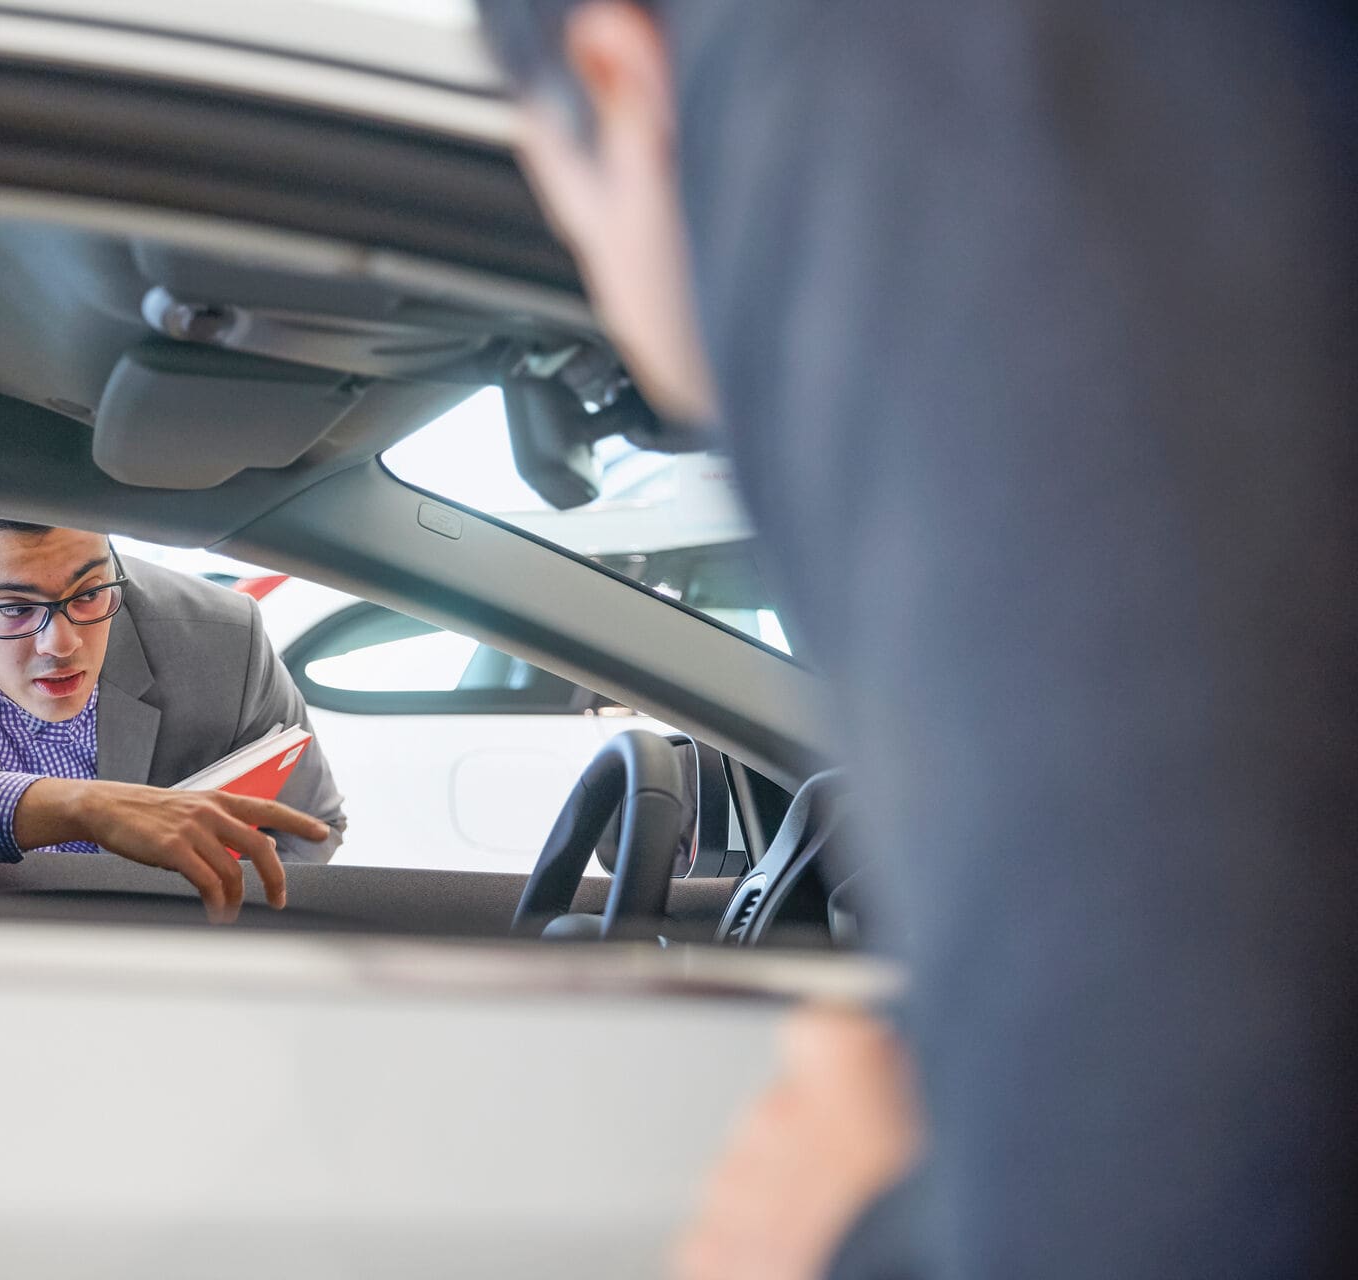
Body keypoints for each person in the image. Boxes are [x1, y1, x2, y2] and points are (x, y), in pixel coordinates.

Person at [473, 2, 1358, 1279]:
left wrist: (853, 1232)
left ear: (618, 79)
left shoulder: (903, 115)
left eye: (559, 210)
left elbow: (1190, 1151)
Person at [0, 511, 345, 921]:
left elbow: (310, 829)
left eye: (88, 594)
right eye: (13, 608)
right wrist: (83, 808)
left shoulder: (224, 635)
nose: (62, 643)